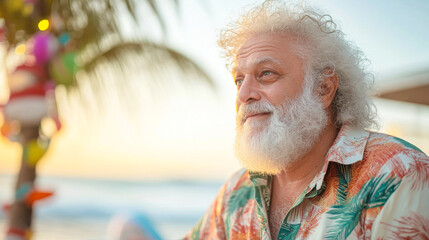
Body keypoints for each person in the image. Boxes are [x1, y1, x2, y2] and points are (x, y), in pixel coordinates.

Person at [184, 1, 429, 239]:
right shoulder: (237, 190)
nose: (243, 94)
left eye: (266, 73)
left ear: (323, 88)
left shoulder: (400, 174)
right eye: (239, 80)